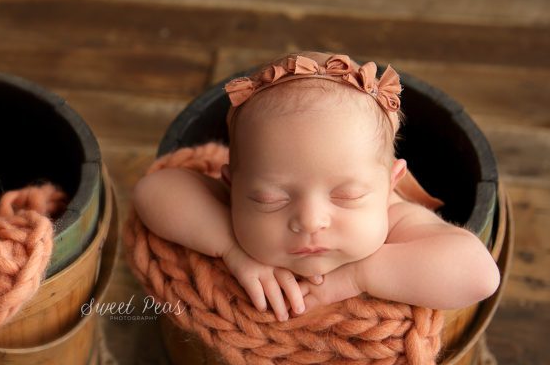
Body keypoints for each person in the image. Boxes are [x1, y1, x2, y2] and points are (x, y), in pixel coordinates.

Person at [132, 51, 501, 322]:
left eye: (348, 195)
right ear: (232, 185)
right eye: (270, 198)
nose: (310, 221)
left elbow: (478, 275)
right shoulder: (231, 211)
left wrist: (360, 274)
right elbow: (154, 191)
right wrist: (230, 248)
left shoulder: (395, 217)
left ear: (391, 183)